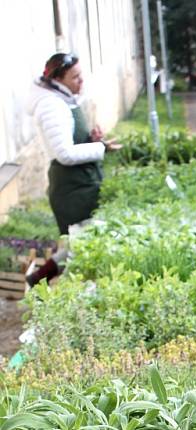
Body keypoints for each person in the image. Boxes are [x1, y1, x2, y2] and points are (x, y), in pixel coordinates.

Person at [27, 52, 119, 285]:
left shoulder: (63, 100)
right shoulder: (51, 105)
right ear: (59, 80)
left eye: (81, 76)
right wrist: (100, 148)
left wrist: (90, 139)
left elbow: (70, 141)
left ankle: (36, 278)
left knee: (79, 245)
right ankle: (71, 297)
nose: (81, 81)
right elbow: (64, 153)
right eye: (75, 77)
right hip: (72, 188)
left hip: (80, 182)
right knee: (83, 249)